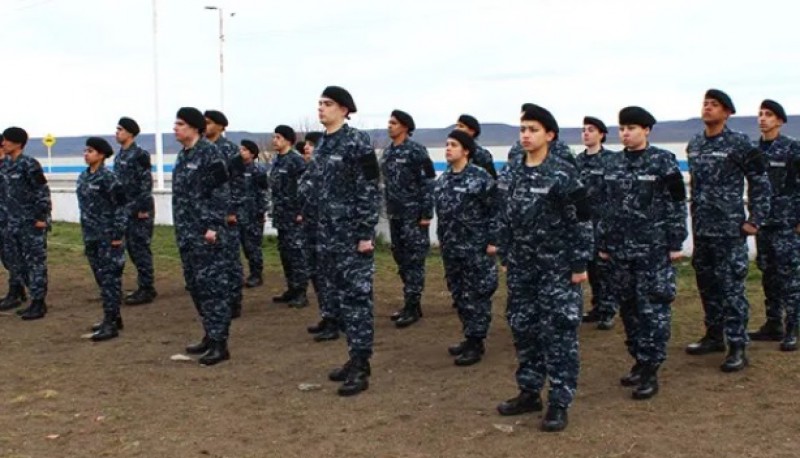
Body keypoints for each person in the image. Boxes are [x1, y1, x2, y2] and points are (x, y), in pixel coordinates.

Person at [494, 104, 591, 432]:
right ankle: (529, 391)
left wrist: (579, 263)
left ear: (549, 135)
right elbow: (502, 216)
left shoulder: (563, 173)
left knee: (559, 333)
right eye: (522, 129)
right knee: (524, 329)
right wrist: (505, 254)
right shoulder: (510, 172)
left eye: (533, 129)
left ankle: (560, 402)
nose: (525, 135)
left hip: (557, 268)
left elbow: (582, 220)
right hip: (523, 267)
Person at [598, 107, 687, 400]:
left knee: (653, 310)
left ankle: (651, 369)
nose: (626, 133)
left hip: (653, 249)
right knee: (629, 309)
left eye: (632, 127)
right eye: (622, 128)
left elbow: (676, 202)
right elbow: (604, 206)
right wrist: (603, 243)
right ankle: (638, 359)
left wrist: (676, 243)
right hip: (620, 250)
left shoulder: (663, 161)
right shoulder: (611, 163)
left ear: (646, 130)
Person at [685, 89, 771, 372]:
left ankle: (737, 345)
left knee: (732, 288)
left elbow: (760, 182)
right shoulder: (695, 144)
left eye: (715, 105)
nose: (708, 108)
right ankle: (713, 336)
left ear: (727, 113)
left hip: (730, 230)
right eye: (705, 104)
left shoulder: (740, 144)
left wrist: (754, 219)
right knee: (707, 285)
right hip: (703, 229)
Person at [304, 86, 380, 396]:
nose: (321, 108)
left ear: (345, 110)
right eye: (320, 103)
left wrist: (365, 233)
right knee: (337, 301)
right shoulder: (322, 144)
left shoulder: (356, 142)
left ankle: (361, 366)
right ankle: (353, 356)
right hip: (327, 236)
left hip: (351, 238)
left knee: (357, 301)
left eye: (328, 104)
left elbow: (370, 189)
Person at [172, 107, 233, 365]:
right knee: (196, 287)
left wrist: (213, 227)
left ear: (195, 128)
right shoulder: (182, 156)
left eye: (181, 124)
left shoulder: (210, 153)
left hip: (207, 234)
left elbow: (222, 192)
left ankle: (220, 344)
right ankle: (209, 334)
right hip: (187, 233)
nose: (175, 128)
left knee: (213, 288)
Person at [435, 129, 498, 366]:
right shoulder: (444, 180)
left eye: (453, 145)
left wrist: (493, 241)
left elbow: (495, 210)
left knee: (477, 295)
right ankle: (469, 336)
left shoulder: (480, 178)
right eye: (447, 144)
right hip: (452, 249)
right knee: (460, 295)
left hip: (476, 249)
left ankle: (476, 342)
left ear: (466, 151)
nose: (448, 148)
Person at [747, 100, 800, 351]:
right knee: (768, 273)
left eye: (769, 115)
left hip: (787, 223)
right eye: (760, 114)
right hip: (763, 223)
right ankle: (773, 324)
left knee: (790, 276)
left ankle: (794, 327)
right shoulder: (753, 150)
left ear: (779, 121)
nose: (763, 118)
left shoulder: (792, 149)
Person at [380, 109, 436, 328]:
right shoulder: (387, 152)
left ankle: (413, 305)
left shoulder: (416, 151)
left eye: (393, 123)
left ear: (405, 127)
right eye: (389, 122)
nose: (389, 126)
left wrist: (426, 214)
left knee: (414, 260)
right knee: (401, 258)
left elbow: (428, 182)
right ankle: (410, 302)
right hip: (395, 214)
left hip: (413, 216)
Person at [78, 137, 127, 341]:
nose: (86, 154)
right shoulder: (84, 177)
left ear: (100, 155)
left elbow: (121, 207)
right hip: (91, 236)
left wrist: (117, 235)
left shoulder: (110, 178)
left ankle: (110, 323)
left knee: (110, 280)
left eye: (90, 151)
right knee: (101, 279)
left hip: (108, 236)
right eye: (85, 150)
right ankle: (114, 317)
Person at [1, 127, 51, 320]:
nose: (3, 143)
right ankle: (30, 296)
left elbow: (42, 192)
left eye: (6, 140)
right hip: (10, 224)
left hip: (30, 224)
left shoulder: (30, 165)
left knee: (35, 264)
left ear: (17, 143)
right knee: (17, 264)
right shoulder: (5, 166)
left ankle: (39, 303)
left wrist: (41, 218)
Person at [204, 110, 245, 318]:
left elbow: (238, 183)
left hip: (226, 214)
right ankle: (216, 300)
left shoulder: (229, 149)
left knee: (229, 259)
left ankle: (234, 300)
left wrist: (232, 210)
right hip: (206, 213)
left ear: (220, 126)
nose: (205, 125)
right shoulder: (200, 148)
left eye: (209, 122)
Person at [577, 116, 616, 329]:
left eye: (591, 130)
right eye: (584, 130)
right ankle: (597, 306)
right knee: (590, 267)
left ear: (601, 134)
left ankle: (608, 309)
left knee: (604, 269)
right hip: (584, 223)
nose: (586, 133)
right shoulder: (578, 161)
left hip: (603, 222)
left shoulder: (611, 160)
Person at [114, 117, 157, 305]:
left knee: (140, 248)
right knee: (131, 248)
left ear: (130, 133)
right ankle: (142, 285)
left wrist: (143, 208)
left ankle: (147, 288)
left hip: (139, 209)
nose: (117, 133)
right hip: (125, 210)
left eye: (121, 129)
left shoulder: (139, 154)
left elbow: (145, 182)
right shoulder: (119, 155)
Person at [269, 125, 309, 308]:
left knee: (296, 254)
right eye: (274, 137)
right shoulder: (277, 161)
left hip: (294, 217)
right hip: (281, 216)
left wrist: (301, 212)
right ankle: (291, 288)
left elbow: (305, 190)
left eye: (278, 137)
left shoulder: (296, 161)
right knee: (285, 254)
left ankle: (301, 292)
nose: (274, 140)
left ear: (287, 140)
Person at [0, 133, 26, 311]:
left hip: (11, 219)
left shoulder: (9, 167)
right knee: (6, 257)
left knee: (14, 258)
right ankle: (17, 289)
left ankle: (16, 291)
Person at [239, 140, 270, 288]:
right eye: (241, 149)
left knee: (253, 246)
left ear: (252, 154)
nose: (241, 152)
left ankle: (256, 274)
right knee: (244, 246)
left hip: (253, 214)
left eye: (244, 150)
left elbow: (264, 192)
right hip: (239, 214)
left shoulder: (258, 170)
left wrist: (261, 212)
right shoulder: (236, 170)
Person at [455, 114, 497, 178]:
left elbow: (492, 179)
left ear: (472, 131)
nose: (456, 129)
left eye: (461, 126)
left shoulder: (482, 154)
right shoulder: (454, 152)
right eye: (456, 126)